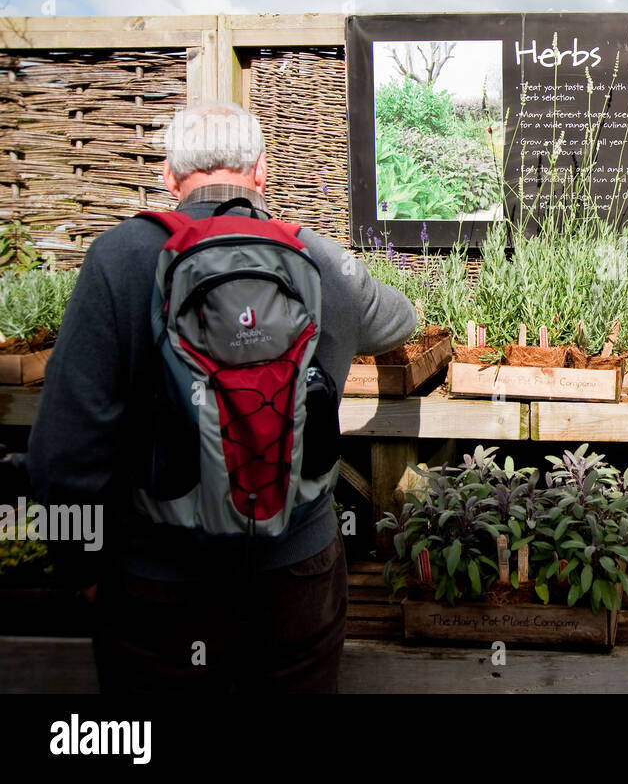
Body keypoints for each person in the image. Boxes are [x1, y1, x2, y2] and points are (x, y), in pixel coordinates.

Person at [25, 102, 417, 693]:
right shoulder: (325, 263)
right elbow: (401, 322)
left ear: (167, 175)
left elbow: (61, 451)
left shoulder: (119, 260)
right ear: (262, 171)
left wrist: (82, 570)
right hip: (296, 578)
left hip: (158, 588)